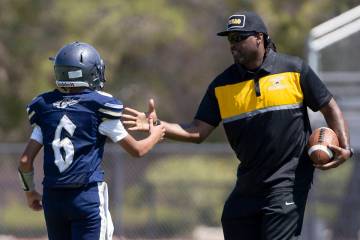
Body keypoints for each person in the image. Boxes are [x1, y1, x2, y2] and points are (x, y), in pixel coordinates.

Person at [121, 11, 354, 240]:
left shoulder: (294, 69)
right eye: (230, 39)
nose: (233, 45)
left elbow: (329, 107)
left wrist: (345, 147)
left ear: (259, 38)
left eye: (239, 38)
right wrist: (159, 125)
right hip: (249, 183)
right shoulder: (221, 85)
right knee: (232, 217)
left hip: (288, 180)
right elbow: (197, 131)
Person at [17, 41, 165, 240]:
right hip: (86, 196)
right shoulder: (98, 105)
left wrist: (30, 192)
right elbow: (137, 150)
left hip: (53, 198)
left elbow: (25, 161)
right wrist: (156, 133)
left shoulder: (44, 106)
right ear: (91, 73)